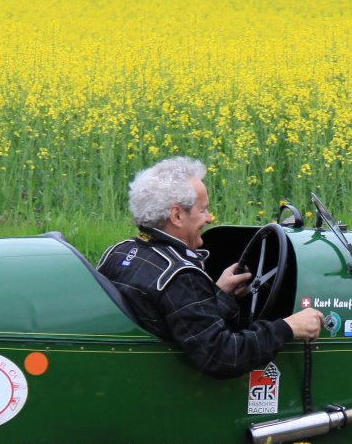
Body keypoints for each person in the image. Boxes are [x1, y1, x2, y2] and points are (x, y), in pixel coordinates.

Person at [98, 157, 324, 379]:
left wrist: (220, 294)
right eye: (203, 210)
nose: (209, 218)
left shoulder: (118, 252)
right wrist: (289, 327)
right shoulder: (179, 277)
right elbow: (222, 355)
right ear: (177, 215)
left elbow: (181, 319)